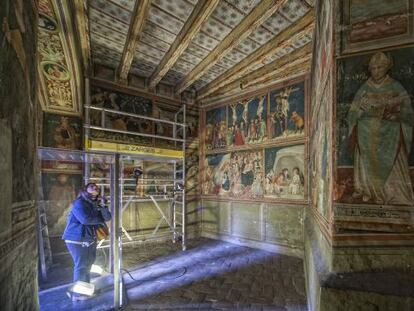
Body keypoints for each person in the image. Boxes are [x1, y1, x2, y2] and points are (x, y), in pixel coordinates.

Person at [348, 52, 414, 205]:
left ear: (387, 68)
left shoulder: (396, 86)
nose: (376, 71)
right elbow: (352, 114)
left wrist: (396, 115)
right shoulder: (364, 88)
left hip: (390, 134)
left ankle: (391, 192)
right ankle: (369, 190)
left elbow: (408, 113)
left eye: (380, 68)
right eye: (373, 68)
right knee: (365, 154)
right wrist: (359, 111)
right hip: (366, 134)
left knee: (394, 158)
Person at [62, 183, 111, 301]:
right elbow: (85, 220)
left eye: (97, 187)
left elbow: (107, 217)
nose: (96, 188)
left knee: (88, 265)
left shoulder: (95, 204)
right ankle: (77, 295)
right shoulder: (79, 203)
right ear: (85, 190)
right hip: (77, 239)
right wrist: (100, 219)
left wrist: (104, 205)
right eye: (92, 186)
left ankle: (86, 290)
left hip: (88, 238)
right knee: (81, 266)